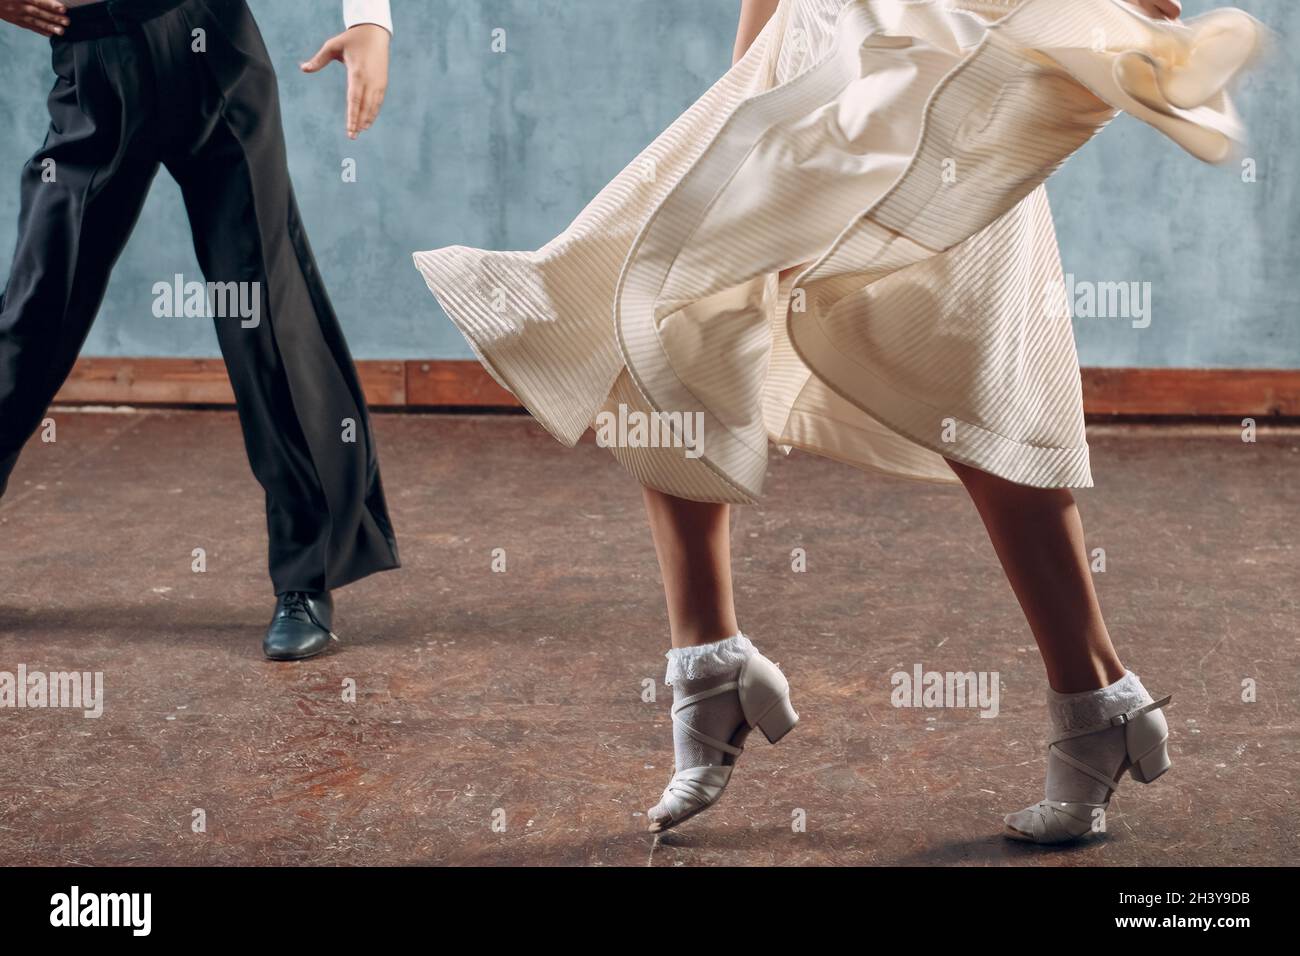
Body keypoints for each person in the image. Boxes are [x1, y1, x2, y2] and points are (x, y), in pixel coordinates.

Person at [415, 0, 1264, 841]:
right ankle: (709, 660)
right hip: (822, 49)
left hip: (947, 61)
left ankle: (1096, 698)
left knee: (976, 386)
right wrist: (746, 85)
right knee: (661, 301)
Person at [0, 0, 400, 660]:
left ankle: (306, 580)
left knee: (263, 317)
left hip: (207, 42)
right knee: (33, 311)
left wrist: (370, 21)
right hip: (91, 57)